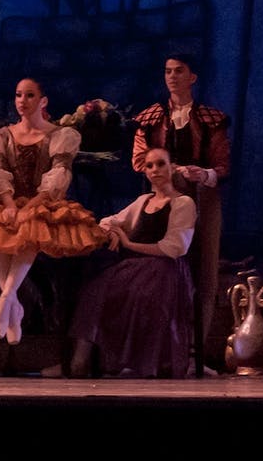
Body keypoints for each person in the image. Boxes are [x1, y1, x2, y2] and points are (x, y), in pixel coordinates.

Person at [0, 77, 104, 345]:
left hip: (42, 203)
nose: (23, 101)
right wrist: (10, 206)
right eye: (19, 95)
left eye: (30, 95)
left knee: (33, 225)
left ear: (42, 101)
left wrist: (28, 208)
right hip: (10, 200)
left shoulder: (58, 136)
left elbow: (57, 177)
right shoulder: (3, 136)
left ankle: (6, 297)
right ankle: (12, 304)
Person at [58, 147, 197, 378]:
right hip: (135, 267)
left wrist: (128, 244)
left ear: (172, 168)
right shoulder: (143, 200)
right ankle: (80, 361)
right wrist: (114, 232)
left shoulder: (183, 203)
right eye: (150, 165)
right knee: (95, 289)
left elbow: (175, 248)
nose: (155, 170)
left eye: (161, 164)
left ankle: (128, 361)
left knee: (140, 295)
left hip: (165, 270)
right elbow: (108, 221)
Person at [129, 53, 228, 356]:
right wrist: (172, 171)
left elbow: (223, 164)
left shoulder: (211, 119)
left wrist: (205, 174)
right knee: (160, 269)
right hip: (161, 200)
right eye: (168, 71)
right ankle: (160, 348)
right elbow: (137, 160)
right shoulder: (150, 119)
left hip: (203, 199)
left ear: (192, 77)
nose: (172, 76)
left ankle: (196, 350)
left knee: (205, 272)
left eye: (179, 71)